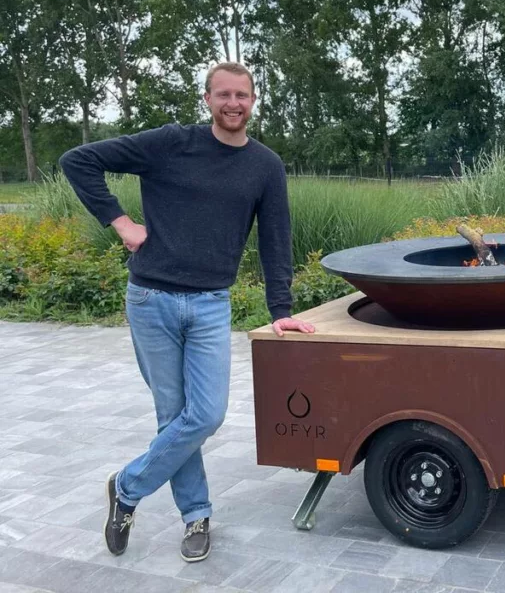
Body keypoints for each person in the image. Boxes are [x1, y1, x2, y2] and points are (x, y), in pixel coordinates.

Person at [59, 61, 315, 564]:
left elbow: (275, 240)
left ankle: (127, 488)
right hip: (151, 300)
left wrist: (280, 309)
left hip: (210, 305)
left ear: (254, 99)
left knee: (206, 414)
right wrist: (122, 223)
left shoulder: (265, 165)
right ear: (207, 99)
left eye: (242, 95)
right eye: (223, 95)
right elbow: (78, 160)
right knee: (173, 417)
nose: (233, 104)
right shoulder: (171, 143)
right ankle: (196, 516)